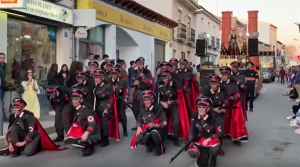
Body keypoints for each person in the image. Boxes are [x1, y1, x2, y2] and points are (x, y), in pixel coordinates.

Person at [156, 69, 190, 147]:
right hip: (162, 106)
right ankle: (160, 138)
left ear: (170, 77)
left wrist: (173, 102)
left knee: (176, 122)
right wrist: (162, 103)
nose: (164, 80)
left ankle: (175, 138)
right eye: (163, 78)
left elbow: (180, 98)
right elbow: (156, 98)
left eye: (166, 78)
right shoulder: (159, 85)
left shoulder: (176, 84)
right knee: (162, 121)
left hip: (173, 105)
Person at [187, 96, 222, 167]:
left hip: (211, 138)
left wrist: (208, 139)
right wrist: (190, 140)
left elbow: (221, 132)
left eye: (203, 107)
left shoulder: (214, 116)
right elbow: (192, 128)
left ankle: (213, 159)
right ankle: (201, 155)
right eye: (199, 107)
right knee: (191, 152)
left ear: (208, 108)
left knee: (214, 150)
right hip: (200, 138)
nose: (201, 109)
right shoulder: (195, 114)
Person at [130, 90, 167, 156]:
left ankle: (158, 148)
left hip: (159, 130)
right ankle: (149, 145)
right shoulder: (142, 110)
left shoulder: (157, 109)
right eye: (145, 100)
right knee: (140, 137)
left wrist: (155, 125)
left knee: (154, 132)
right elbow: (139, 120)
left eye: (148, 99)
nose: (147, 102)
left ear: (152, 100)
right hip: (148, 129)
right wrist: (138, 127)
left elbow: (164, 122)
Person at [64, 89, 100, 157]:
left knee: (82, 135)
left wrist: (86, 133)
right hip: (83, 128)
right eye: (72, 99)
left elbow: (93, 123)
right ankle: (83, 144)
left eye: (76, 99)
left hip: (92, 131)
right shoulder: (76, 110)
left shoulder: (85, 110)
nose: (74, 101)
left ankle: (89, 147)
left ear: (81, 100)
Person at [219, 66, 248, 145]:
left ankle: (236, 138)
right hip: (222, 105)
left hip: (232, 104)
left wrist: (234, 97)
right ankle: (224, 135)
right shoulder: (219, 84)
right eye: (222, 75)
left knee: (234, 121)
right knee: (223, 121)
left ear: (228, 75)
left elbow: (237, 94)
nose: (224, 77)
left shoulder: (233, 83)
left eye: (225, 75)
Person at [202, 74, 227, 156]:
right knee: (210, 129)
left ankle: (219, 147)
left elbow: (226, 99)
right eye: (211, 83)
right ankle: (210, 145)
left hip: (221, 111)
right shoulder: (206, 91)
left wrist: (223, 107)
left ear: (219, 83)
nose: (212, 85)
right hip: (210, 112)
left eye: (214, 83)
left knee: (220, 130)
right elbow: (204, 105)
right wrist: (213, 109)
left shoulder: (223, 89)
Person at [93, 69, 119, 146]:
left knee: (104, 123)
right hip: (97, 107)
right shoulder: (95, 88)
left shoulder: (108, 86)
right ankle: (99, 137)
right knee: (98, 122)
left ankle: (105, 138)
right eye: (95, 78)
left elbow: (111, 98)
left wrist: (107, 109)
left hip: (106, 106)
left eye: (98, 78)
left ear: (102, 78)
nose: (96, 79)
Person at [130, 57, 154, 130]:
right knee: (135, 109)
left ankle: (143, 124)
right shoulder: (134, 72)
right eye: (139, 64)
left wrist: (143, 78)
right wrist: (134, 83)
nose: (141, 65)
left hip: (144, 92)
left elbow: (150, 84)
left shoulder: (147, 72)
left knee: (142, 109)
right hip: (136, 92)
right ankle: (138, 122)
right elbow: (131, 83)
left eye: (142, 64)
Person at [110, 67, 129, 137]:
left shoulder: (122, 81)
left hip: (120, 100)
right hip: (112, 101)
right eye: (112, 74)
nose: (114, 76)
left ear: (118, 74)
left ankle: (125, 130)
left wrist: (125, 99)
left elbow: (126, 91)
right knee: (112, 117)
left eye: (115, 74)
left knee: (122, 115)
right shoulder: (109, 82)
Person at [0, 53, 7, 121]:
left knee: (2, 101)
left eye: (3, 58)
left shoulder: (6, 66)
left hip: (3, 86)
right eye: (0, 58)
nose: (2, 59)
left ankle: (2, 116)